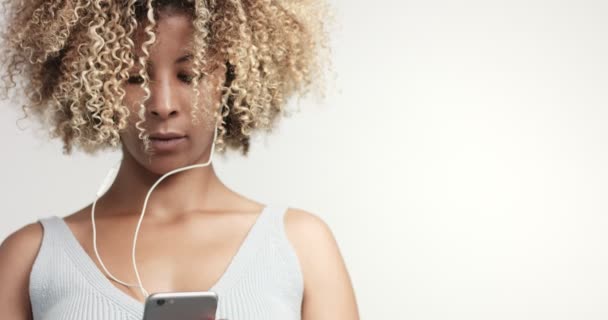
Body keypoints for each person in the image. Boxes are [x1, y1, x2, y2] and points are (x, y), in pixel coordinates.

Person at [0, 0, 359, 319]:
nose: (162, 104)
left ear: (232, 78)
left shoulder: (299, 245)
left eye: (189, 75)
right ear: (93, 84)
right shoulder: (30, 258)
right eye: (133, 77)